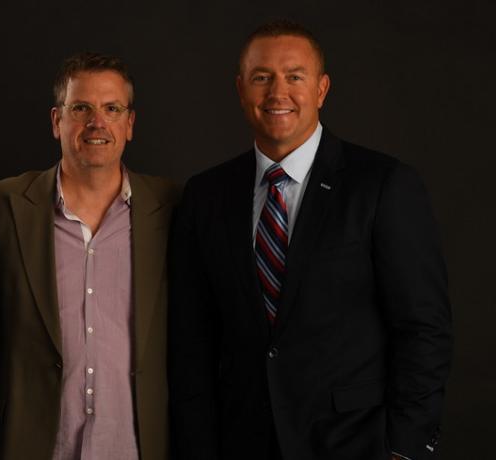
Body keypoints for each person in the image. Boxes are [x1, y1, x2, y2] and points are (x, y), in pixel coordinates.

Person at [168, 20, 452, 460]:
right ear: (241, 89)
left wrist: (406, 448)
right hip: (241, 441)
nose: (278, 93)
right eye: (262, 78)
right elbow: (191, 342)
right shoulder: (206, 195)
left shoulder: (381, 185)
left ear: (321, 89)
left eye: (294, 77)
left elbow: (423, 328)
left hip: (356, 442)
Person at [0, 52, 178, 460]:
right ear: (57, 121)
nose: (97, 122)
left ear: (130, 124)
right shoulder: (2, 206)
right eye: (81, 108)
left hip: (135, 447)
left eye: (112, 108)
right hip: (34, 446)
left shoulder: (172, 209)